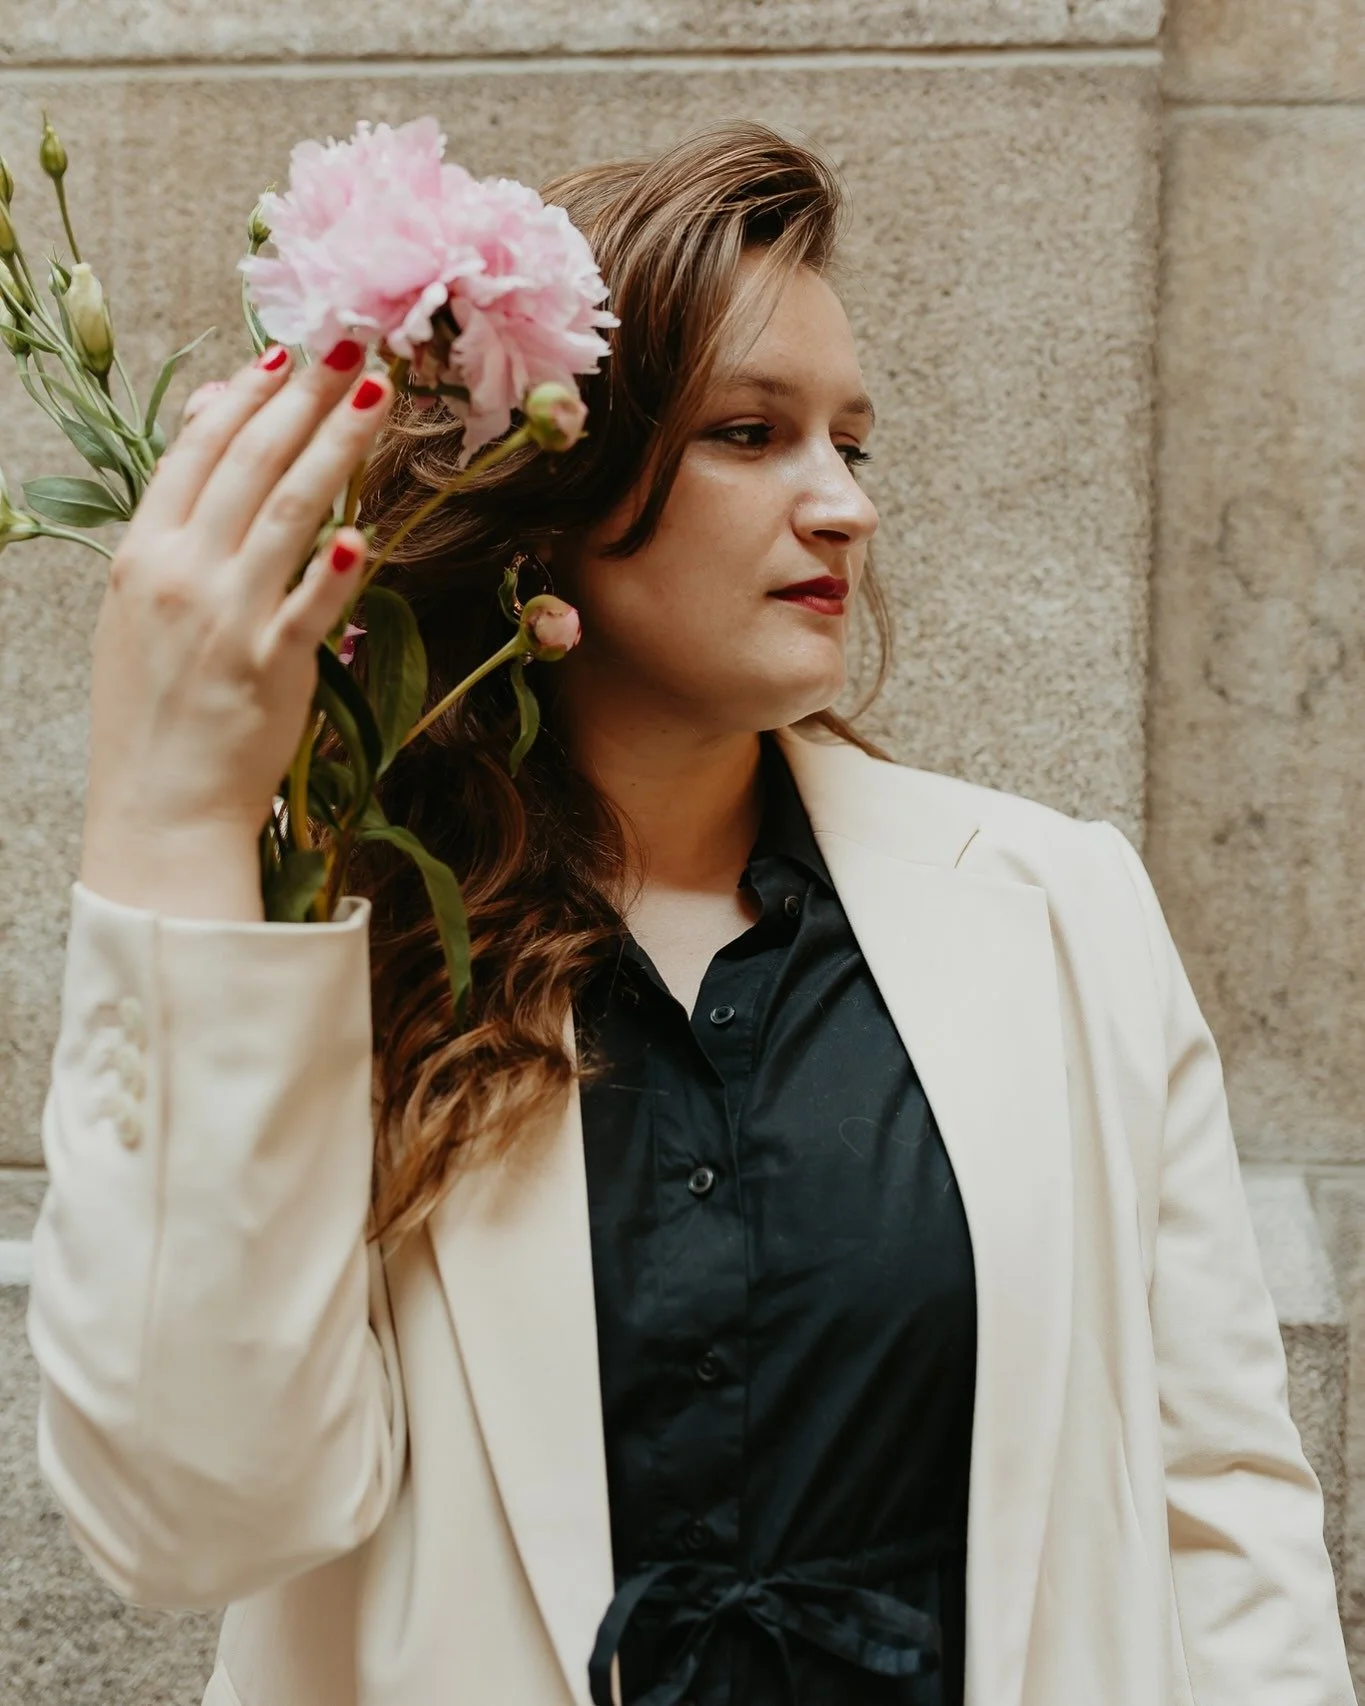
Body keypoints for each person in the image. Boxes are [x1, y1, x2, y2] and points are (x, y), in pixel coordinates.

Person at [25, 122, 1353, 1706]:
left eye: (850, 444)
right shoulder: (351, 949)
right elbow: (191, 1515)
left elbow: (1222, 1512)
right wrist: (171, 822)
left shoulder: (1062, 911)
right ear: (551, 480)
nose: (841, 503)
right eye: (752, 432)